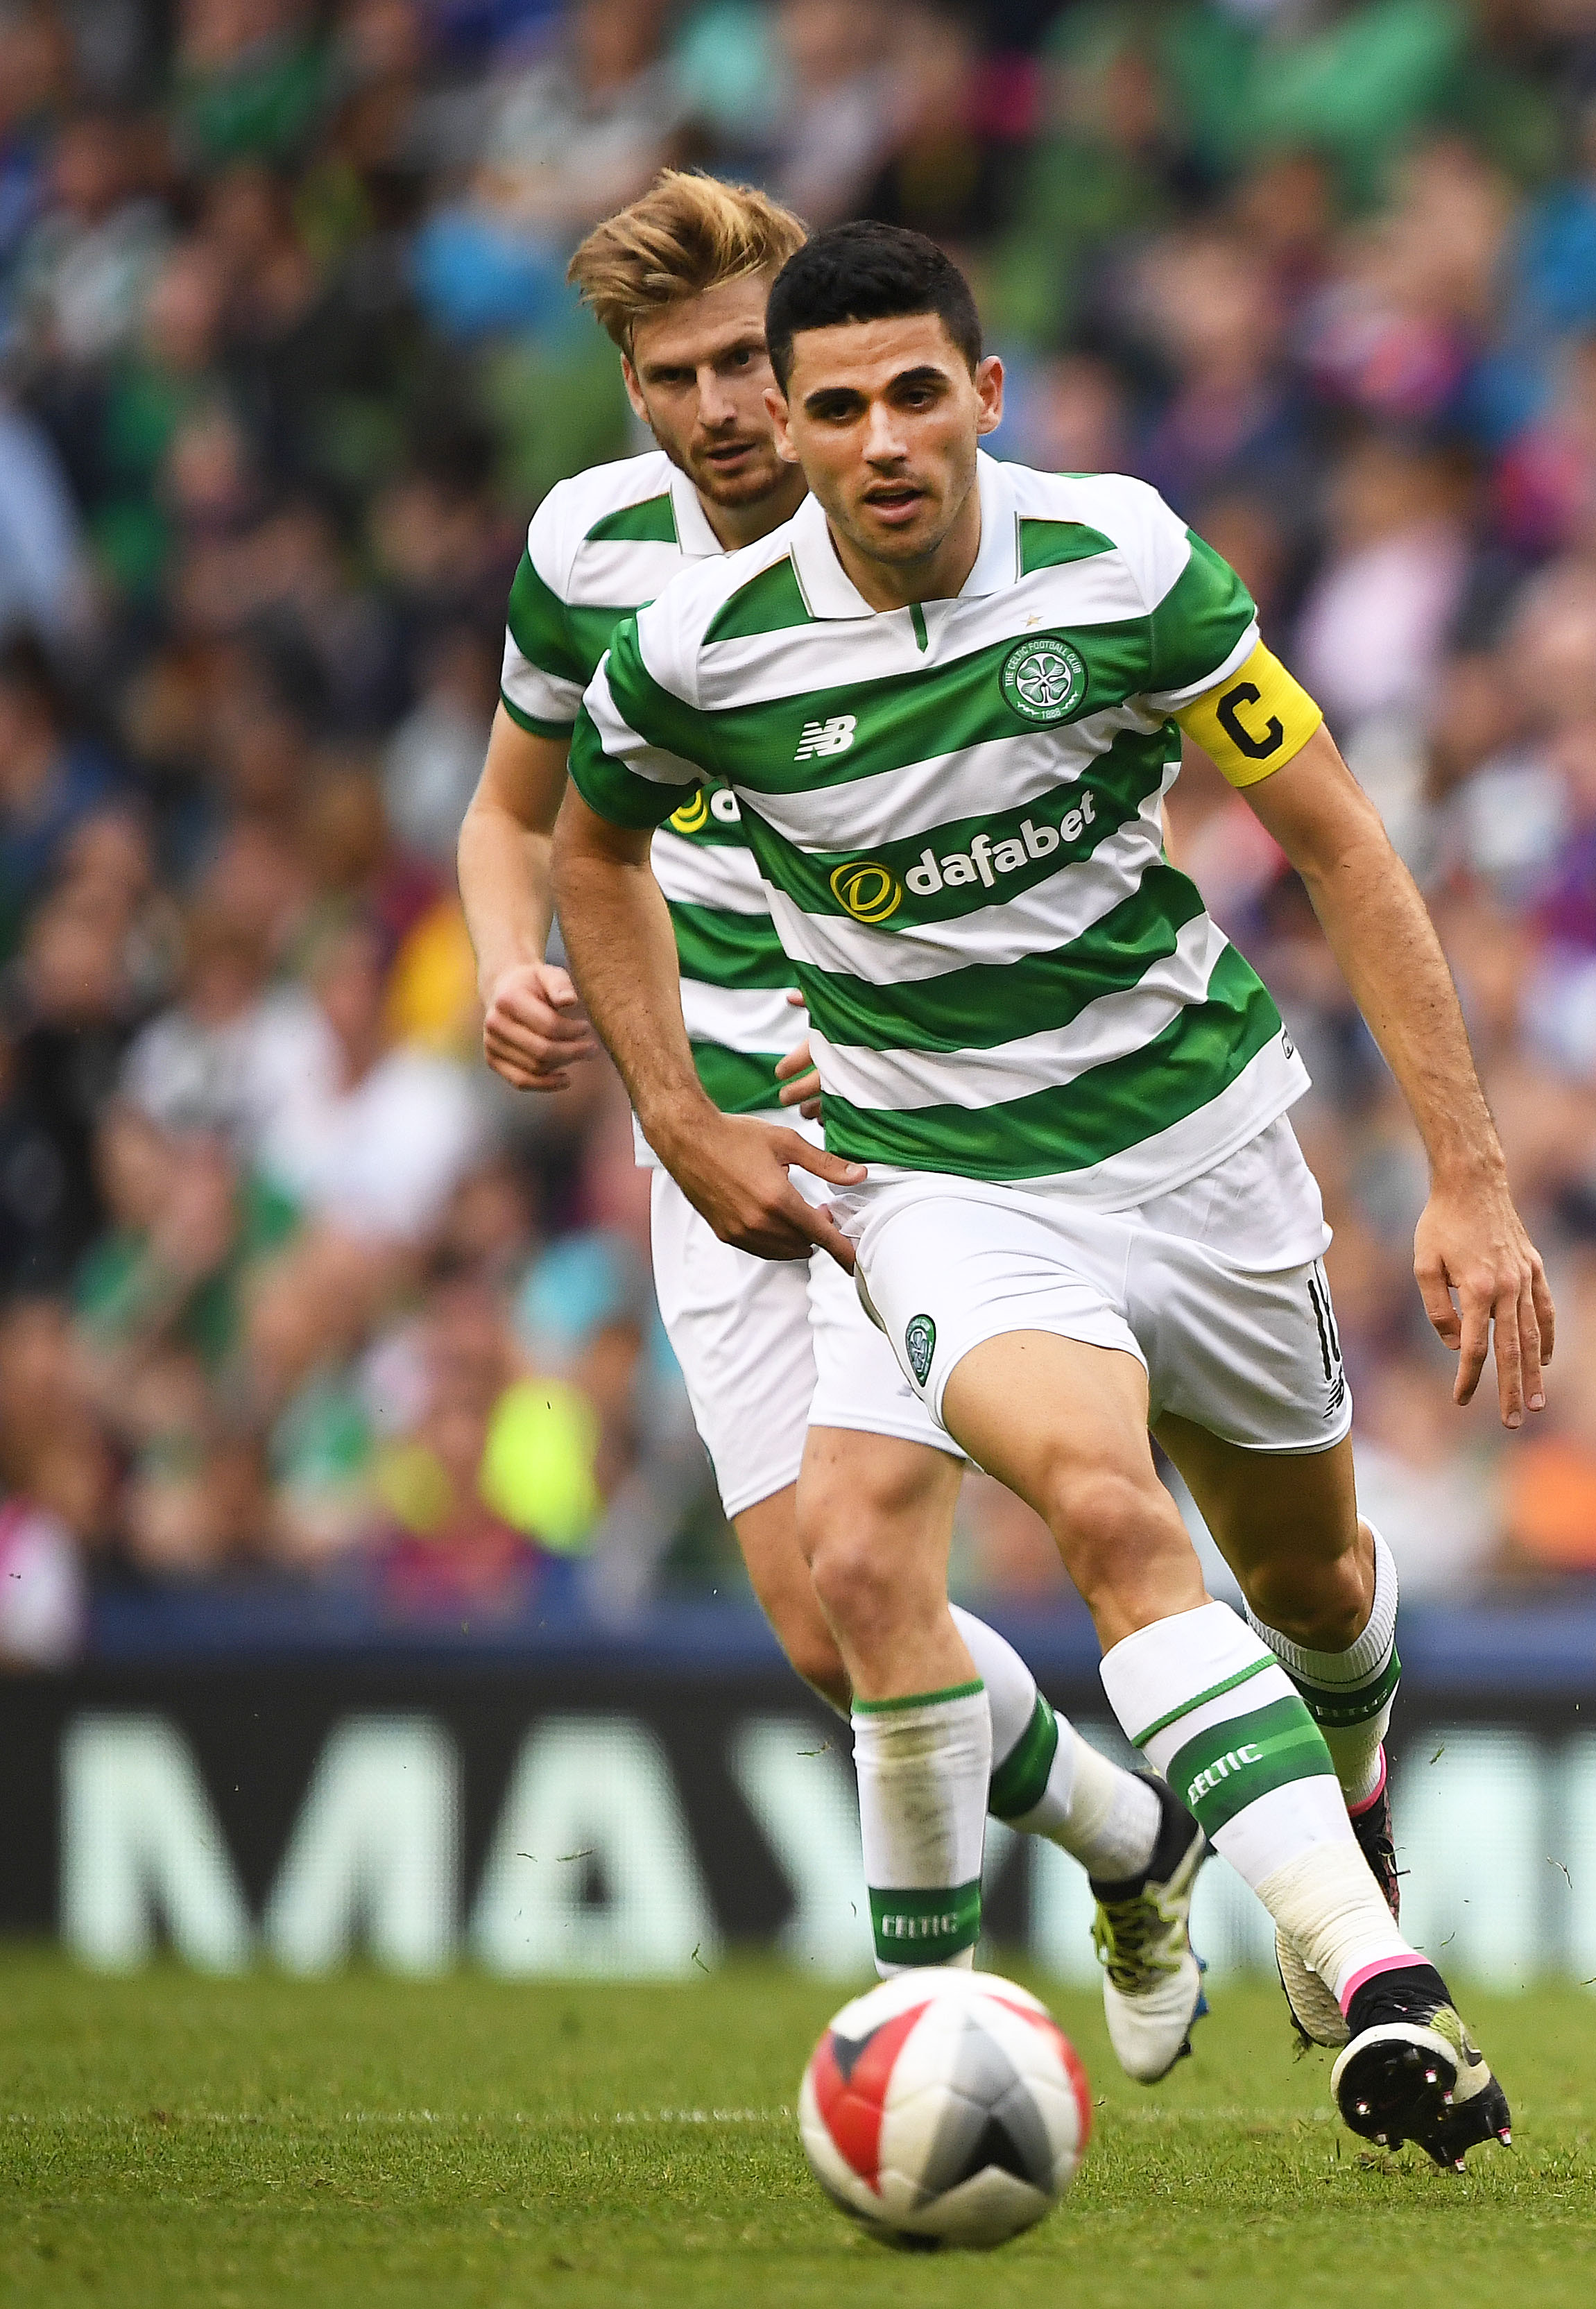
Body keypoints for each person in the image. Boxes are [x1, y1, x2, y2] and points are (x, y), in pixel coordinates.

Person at [551, 221, 1556, 2169]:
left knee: (1322, 1591)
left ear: (984, 397)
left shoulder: (1125, 565)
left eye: (916, 392)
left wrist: (1469, 1174)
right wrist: (677, 1116)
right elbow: (588, 856)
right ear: (791, 423)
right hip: (938, 1179)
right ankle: (1378, 1978)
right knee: (1100, 1509)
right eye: (832, 406)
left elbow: (1339, 840)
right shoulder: (700, 651)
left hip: (1201, 1141)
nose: (877, 438)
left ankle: (1343, 1796)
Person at [454, 175, 1210, 2084]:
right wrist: (502, 964)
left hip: (899, 1113)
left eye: (740, 364)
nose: (718, 410)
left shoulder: (906, 513)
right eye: (670, 377)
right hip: (696, 1126)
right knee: (819, 1619)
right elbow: (519, 815)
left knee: (878, 1575)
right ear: (625, 392)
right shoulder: (591, 550)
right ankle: (1134, 1835)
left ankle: (922, 2033)